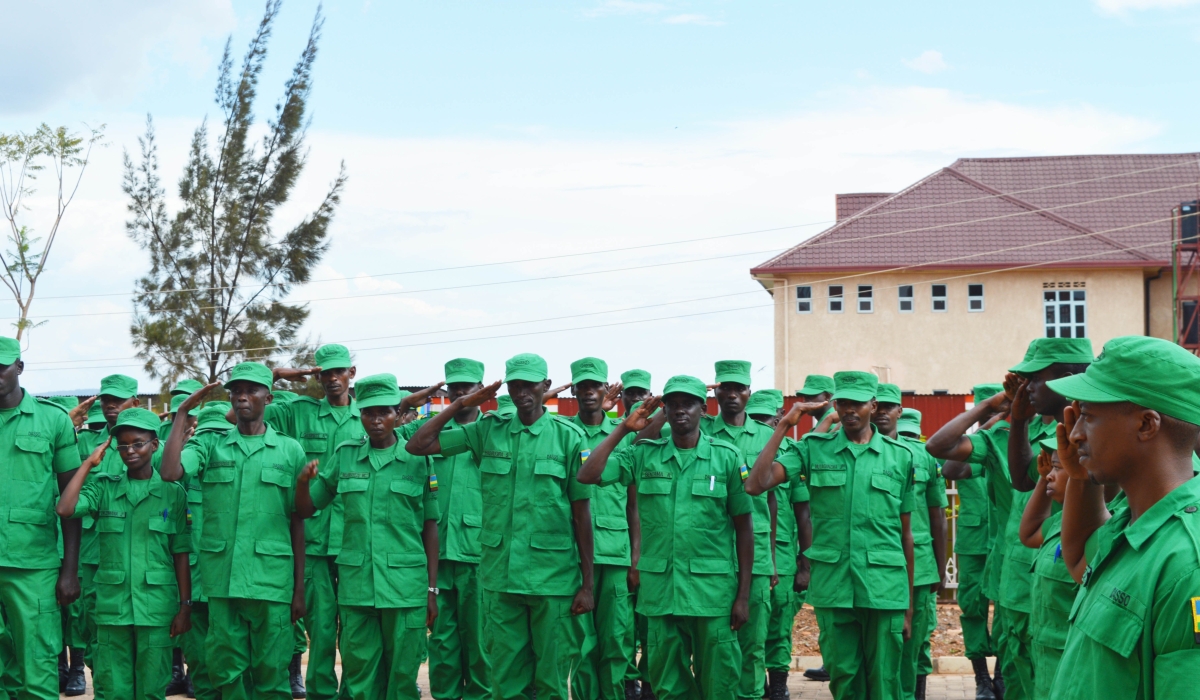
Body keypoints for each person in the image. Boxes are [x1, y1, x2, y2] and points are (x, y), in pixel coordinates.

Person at [404, 353, 594, 700]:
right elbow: (418, 445)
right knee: (506, 680)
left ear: (546, 387)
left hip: (551, 580)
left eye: (529, 384)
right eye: (515, 385)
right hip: (500, 579)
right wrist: (459, 403)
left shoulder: (568, 437)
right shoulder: (488, 432)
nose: (522, 392)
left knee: (550, 680)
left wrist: (588, 583)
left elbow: (582, 514)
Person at [576, 375, 754, 698]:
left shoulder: (726, 457)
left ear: (703, 407)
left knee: (720, 687)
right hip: (661, 597)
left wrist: (743, 596)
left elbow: (744, 528)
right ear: (664, 410)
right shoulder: (644, 455)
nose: (680, 410)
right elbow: (589, 474)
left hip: (712, 597)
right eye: (672, 404)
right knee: (668, 688)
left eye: (688, 403)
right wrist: (624, 429)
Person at [1045, 336, 1200, 698]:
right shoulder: (1131, 523)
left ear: (1147, 425)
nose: (1076, 432)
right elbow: (1078, 558)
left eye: (1090, 415)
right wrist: (1081, 478)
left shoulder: (1188, 564)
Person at [745, 371, 915, 700]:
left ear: (873, 405)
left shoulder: (900, 457)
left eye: (858, 403)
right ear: (835, 406)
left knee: (884, 682)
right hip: (834, 588)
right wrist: (784, 426)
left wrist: (908, 608)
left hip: (885, 587)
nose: (850, 409)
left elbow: (906, 535)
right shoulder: (812, 449)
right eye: (843, 403)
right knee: (844, 678)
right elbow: (755, 484)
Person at [160, 363, 315, 700]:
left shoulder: (289, 450)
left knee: (271, 674)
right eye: (236, 392)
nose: (242, 397)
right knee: (226, 673)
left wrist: (299, 587)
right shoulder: (209, 446)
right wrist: (182, 412)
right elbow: (170, 472)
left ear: (268, 397)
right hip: (223, 581)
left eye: (251, 391)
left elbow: (297, 521)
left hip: (271, 582)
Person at [296, 374, 439, 700]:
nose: (376, 420)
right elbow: (307, 508)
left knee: (402, 680)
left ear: (397, 413)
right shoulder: (345, 455)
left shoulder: (418, 458)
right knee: (360, 677)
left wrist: (432, 588)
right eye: (368, 413)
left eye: (384, 412)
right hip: (358, 588)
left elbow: (431, 526)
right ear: (360, 414)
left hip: (405, 589)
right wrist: (303, 481)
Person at [56, 408, 192, 700]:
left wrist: (185, 606)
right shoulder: (104, 488)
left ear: (154, 445)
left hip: (156, 610)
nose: (130, 451)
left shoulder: (173, 493)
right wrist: (88, 464)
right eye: (123, 445)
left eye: (138, 443)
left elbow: (180, 553)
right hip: (112, 608)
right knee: (112, 690)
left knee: (151, 690)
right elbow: (65, 508)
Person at [266, 344, 368, 700]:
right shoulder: (299, 412)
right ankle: (322, 694)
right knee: (321, 629)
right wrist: (277, 375)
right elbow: (243, 412)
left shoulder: (369, 416)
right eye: (324, 372)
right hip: (314, 539)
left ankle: (354, 694)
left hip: (357, 540)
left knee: (356, 630)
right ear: (317, 376)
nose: (332, 379)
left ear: (351, 373)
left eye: (338, 371)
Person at [999, 338, 1092, 700]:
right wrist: (1019, 421)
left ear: (1066, 378)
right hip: (1039, 575)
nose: (1026, 388)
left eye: (1034, 379)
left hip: (1070, 586)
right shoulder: (1054, 428)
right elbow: (1024, 480)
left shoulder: (1099, 432)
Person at [0, 337, 84, 699]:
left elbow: (71, 500)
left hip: (32, 565)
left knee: (36, 665)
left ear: (19, 367)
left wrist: (69, 569)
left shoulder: (52, 420)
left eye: (1, 365)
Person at [565, 358, 636, 700]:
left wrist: (636, 558)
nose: (589, 392)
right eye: (583, 386)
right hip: (573, 555)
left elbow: (633, 503)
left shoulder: (624, 435)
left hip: (614, 552)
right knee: (581, 643)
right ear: (574, 390)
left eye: (596, 385)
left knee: (615, 639)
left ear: (606, 389)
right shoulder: (564, 434)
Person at [422, 358, 491, 700]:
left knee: (480, 641)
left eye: (469, 387)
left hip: (478, 554)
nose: (462, 392)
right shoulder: (433, 433)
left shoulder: (493, 431)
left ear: (483, 390)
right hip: (438, 555)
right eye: (456, 387)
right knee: (443, 642)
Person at [77, 374, 143, 698]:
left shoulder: (151, 443)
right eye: (105, 399)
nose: (110, 405)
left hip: (142, 553)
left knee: (142, 644)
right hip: (94, 555)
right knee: (96, 637)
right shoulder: (86, 443)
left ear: (136, 402)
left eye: (118, 399)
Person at [748, 389, 809, 700]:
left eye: (769, 420)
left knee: (779, 624)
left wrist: (805, 563)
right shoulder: (745, 452)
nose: (763, 426)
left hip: (784, 555)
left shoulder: (791, 455)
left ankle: (780, 686)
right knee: (752, 629)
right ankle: (757, 687)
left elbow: (804, 514)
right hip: (751, 554)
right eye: (756, 420)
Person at [888, 404, 948, 700]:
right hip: (880, 562)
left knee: (913, 644)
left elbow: (938, 514)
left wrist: (940, 567)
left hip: (920, 566)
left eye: (889, 407)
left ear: (898, 412)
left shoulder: (924, 456)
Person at [177, 401, 233, 700]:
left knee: (231, 656)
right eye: (209, 435)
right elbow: (165, 518)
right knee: (198, 654)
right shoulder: (181, 480)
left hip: (227, 580)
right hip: (194, 582)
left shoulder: (238, 475)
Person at [1017, 438, 1076, 700]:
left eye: (1057, 468)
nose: (1049, 474)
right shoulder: (1062, 520)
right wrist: (1043, 480)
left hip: (1070, 667)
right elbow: (1029, 533)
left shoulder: (1099, 526)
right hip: (1046, 663)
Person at [793, 374, 836, 684]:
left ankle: (835, 661)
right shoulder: (815, 428)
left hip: (835, 530)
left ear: (830, 396)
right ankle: (831, 658)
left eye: (816, 396)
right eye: (805, 396)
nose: (810, 402)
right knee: (824, 602)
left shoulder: (834, 428)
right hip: (819, 529)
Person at [617, 369, 654, 700]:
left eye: (642, 393)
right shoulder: (617, 432)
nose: (636, 399)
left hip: (649, 545)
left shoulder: (657, 431)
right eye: (630, 393)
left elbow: (639, 506)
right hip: (614, 545)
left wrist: (638, 554)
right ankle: (628, 682)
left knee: (648, 621)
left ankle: (650, 680)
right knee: (622, 624)